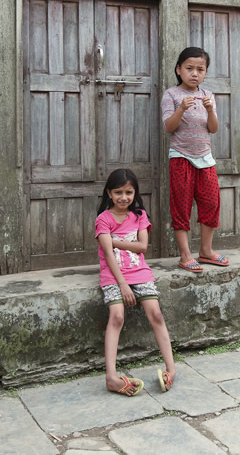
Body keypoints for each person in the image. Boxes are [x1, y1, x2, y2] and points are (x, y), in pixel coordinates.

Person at [95, 168, 177, 395]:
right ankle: (111, 377)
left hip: (139, 271)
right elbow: (108, 254)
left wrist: (115, 241)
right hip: (113, 274)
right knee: (117, 316)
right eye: (118, 192)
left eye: (129, 192)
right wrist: (121, 283)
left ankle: (171, 369)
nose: (124, 197)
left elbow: (142, 247)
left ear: (135, 193)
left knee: (157, 315)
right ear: (109, 193)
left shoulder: (139, 216)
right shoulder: (103, 219)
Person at [160, 47, 229, 273]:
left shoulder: (208, 95)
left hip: (205, 159)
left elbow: (213, 129)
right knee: (181, 206)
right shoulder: (171, 95)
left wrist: (211, 111)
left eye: (200, 69)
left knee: (211, 203)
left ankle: (206, 251)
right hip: (181, 158)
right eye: (189, 68)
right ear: (179, 70)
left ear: (205, 73)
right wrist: (181, 108)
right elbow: (169, 127)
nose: (194, 74)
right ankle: (185, 255)